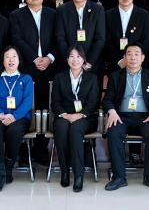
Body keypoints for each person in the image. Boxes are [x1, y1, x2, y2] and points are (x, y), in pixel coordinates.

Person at [103, 43, 149, 192]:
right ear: (124, 57)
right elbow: (107, 99)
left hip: (146, 117)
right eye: (129, 54)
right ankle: (119, 177)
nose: (133, 57)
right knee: (113, 133)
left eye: (136, 54)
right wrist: (112, 111)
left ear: (143, 58)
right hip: (121, 116)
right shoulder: (115, 76)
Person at [50, 46, 100, 192]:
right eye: (71, 56)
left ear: (83, 60)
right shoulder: (60, 77)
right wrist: (65, 115)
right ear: (67, 60)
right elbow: (55, 102)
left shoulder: (92, 78)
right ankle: (65, 171)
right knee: (61, 127)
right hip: (64, 116)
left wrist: (79, 115)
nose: (75, 60)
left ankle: (79, 175)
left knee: (76, 129)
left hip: (85, 117)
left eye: (78, 56)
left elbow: (93, 102)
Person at [0, 47, 35, 192]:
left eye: (14, 56)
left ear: (19, 60)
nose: (11, 60)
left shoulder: (26, 79)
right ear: (3, 60)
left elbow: (28, 102)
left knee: (14, 131)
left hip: (19, 118)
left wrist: (14, 116)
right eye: (7, 56)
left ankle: (7, 167)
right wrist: (1, 114)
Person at [10, 0, 58, 109]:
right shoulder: (16, 15)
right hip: (28, 64)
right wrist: (34, 58)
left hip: (51, 64)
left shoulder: (53, 14)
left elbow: (58, 38)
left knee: (50, 99)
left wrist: (49, 58)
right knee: (29, 100)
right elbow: (17, 39)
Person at [54, 0, 106, 76]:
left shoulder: (98, 10)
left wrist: (89, 61)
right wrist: (71, 60)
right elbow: (60, 38)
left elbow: (100, 39)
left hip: (92, 64)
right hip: (68, 65)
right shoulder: (62, 10)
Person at [103, 0, 149, 74]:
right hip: (115, 64)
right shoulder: (107, 15)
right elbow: (107, 40)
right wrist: (120, 60)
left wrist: (133, 58)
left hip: (137, 64)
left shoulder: (144, 15)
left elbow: (146, 40)